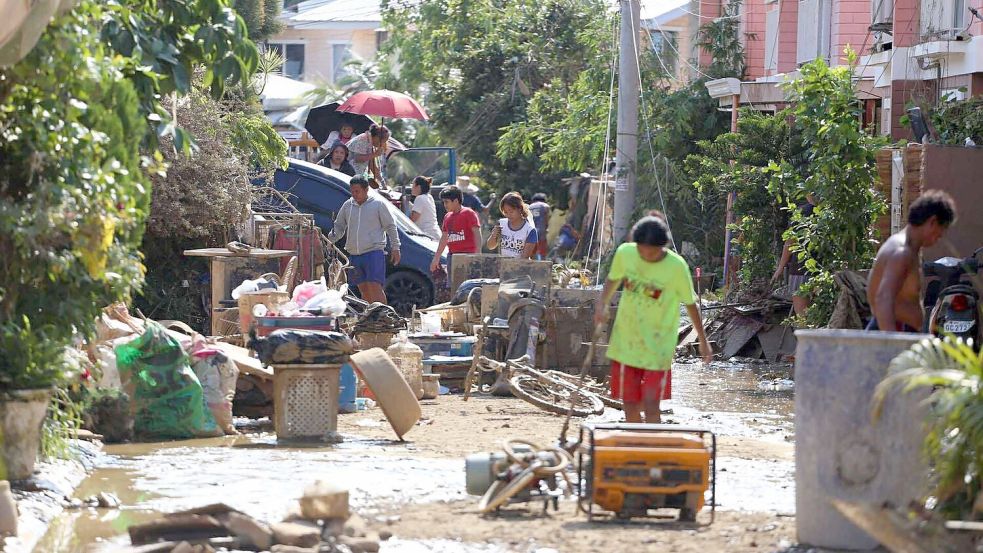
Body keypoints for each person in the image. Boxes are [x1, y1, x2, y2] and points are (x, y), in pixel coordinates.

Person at [594, 215, 713, 424]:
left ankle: (653, 443)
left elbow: (690, 303)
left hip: (659, 344)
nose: (646, 254)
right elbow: (613, 279)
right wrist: (602, 303)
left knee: (651, 404)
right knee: (629, 403)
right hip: (627, 341)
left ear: (663, 246)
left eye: (652, 250)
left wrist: (703, 341)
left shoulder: (677, 267)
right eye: (642, 249)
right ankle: (635, 445)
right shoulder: (626, 253)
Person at [866, 190, 956, 332]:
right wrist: (891, 345)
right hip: (893, 331)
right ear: (932, 222)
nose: (938, 238)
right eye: (940, 232)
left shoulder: (909, 249)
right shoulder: (902, 253)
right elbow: (883, 299)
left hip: (899, 331)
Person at [326, 176, 401, 305]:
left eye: (357, 191)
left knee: (375, 287)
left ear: (366, 190)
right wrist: (330, 239)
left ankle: (384, 318)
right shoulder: (348, 205)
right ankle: (370, 318)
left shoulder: (378, 205)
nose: (354, 194)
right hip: (354, 254)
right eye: (352, 191)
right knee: (363, 289)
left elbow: (390, 226)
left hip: (373, 252)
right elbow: (339, 226)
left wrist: (396, 247)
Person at [771, 196, 816, 316]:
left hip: (800, 271)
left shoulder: (801, 213)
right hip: (824, 270)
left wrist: (780, 268)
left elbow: (790, 242)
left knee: (802, 316)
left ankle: (803, 334)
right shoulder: (832, 214)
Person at [430, 186, 482, 273]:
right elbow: (444, 238)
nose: (444, 205)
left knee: (468, 284)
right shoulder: (447, 217)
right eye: (443, 202)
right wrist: (436, 258)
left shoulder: (468, 213)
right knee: (453, 284)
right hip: (452, 256)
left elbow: (477, 233)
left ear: (456, 201)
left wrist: (477, 255)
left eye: (447, 202)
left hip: (468, 255)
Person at [486, 192, 537, 259]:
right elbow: (490, 246)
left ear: (520, 209)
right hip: (503, 266)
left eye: (511, 211)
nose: (508, 215)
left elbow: (524, 257)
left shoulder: (530, 230)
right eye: (505, 212)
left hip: (520, 267)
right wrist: (493, 235)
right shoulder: (501, 224)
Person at [410, 175, 441, 241]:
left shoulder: (419, 198)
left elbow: (413, 219)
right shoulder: (429, 197)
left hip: (428, 236)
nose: (411, 188)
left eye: (413, 185)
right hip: (435, 234)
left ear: (418, 187)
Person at [528, 193, 551, 260]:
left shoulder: (530, 207)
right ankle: (543, 263)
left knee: (532, 250)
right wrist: (546, 227)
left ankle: (531, 264)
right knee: (542, 250)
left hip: (531, 230)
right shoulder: (545, 206)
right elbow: (546, 218)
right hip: (541, 229)